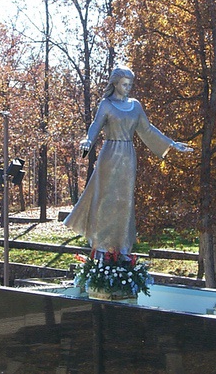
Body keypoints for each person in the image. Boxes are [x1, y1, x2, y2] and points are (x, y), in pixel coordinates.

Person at [64, 66, 192, 258]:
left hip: (127, 156)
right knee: (105, 200)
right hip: (109, 155)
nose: (128, 88)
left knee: (124, 202)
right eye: (124, 84)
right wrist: (88, 140)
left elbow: (147, 130)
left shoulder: (135, 105)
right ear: (115, 84)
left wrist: (172, 144)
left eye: (130, 84)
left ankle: (122, 248)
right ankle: (101, 247)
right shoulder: (106, 104)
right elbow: (95, 126)